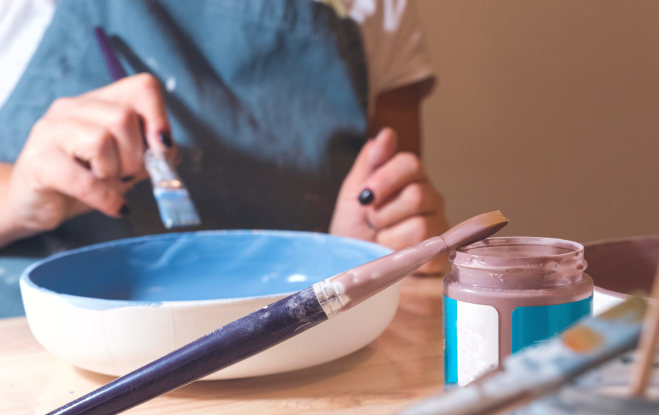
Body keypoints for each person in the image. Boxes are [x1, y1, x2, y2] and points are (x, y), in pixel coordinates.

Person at [0, 0, 449, 316]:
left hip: (299, 359)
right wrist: (16, 197)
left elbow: (395, 223)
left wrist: (362, 245)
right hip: (48, 378)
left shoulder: (379, 9)